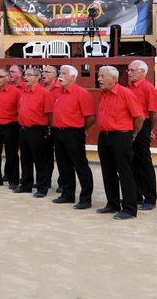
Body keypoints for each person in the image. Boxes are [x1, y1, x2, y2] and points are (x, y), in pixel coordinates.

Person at [97, 65, 143, 219]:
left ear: (114, 79)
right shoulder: (103, 94)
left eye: (103, 76)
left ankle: (130, 208)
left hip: (121, 137)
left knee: (125, 172)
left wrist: (133, 133)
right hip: (104, 137)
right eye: (99, 76)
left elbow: (139, 117)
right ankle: (112, 204)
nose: (99, 79)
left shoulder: (125, 93)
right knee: (107, 171)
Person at [51, 65, 95, 210]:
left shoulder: (82, 93)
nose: (60, 76)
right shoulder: (59, 93)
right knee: (64, 165)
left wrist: (80, 129)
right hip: (58, 133)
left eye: (63, 73)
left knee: (80, 166)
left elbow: (91, 118)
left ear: (72, 77)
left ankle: (85, 199)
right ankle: (67, 194)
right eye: (60, 72)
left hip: (74, 133)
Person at [16, 67, 53, 198]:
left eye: (29, 75)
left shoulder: (44, 93)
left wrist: (45, 130)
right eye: (24, 75)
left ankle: (42, 187)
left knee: (40, 160)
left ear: (37, 77)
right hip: (23, 129)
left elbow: (49, 115)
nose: (25, 77)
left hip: (37, 130)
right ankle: (26, 185)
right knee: (25, 158)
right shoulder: (23, 92)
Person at [126, 60, 157, 211]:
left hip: (143, 125)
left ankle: (150, 198)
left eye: (133, 70)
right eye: (128, 70)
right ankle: (136, 195)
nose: (129, 73)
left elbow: (153, 113)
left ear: (143, 72)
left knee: (144, 162)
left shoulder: (148, 88)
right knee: (132, 162)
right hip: (128, 126)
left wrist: (148, 130)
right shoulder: (128, 88)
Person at [0, 69, 21, 189]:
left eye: (1, 77)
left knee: (11, 154)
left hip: (10, 126)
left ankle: (14, 180)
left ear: (7, 78)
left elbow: (20, 109)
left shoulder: (15, 92)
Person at [41, 65, 62, 192]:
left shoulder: (60, 88)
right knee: (45, 155)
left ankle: (63, 182)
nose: (43, 74)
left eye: (47, 72)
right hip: (44, 126)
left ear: (55, 75)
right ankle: (45, 180)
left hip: (58, 126)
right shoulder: (40, 89)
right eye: (43, 71)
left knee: (61, 156)